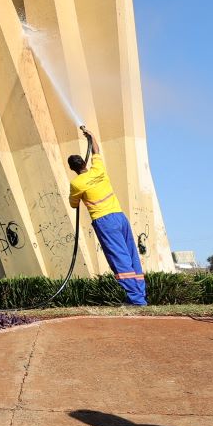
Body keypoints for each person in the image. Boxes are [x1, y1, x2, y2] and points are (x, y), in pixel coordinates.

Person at [68, 128, 146, 306]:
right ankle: (140, 296)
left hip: (104, 221)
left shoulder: (76, 183)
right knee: (131, 255)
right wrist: (91, 136)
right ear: (84, 163)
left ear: (72, 168)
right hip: (120, 217)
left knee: (119, 259)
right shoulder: (98, 169)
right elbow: (96, 151)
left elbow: (74, 204)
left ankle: (135, 300)